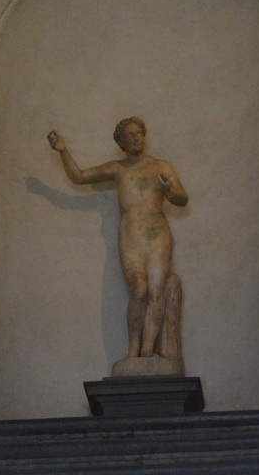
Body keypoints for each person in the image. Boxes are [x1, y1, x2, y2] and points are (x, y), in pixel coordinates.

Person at [47, 117, 188, 361]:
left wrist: (168, 190)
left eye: (139, 133)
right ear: (121, 142)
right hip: (131, 234)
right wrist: (63, 151)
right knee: (140, 289)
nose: (136, 137)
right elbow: (79, 176)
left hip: (158, 234)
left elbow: (182, 198)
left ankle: (147, 349)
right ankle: (133, 348)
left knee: (156, 292)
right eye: (130, 135)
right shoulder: (118, 169)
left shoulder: (160, 166)